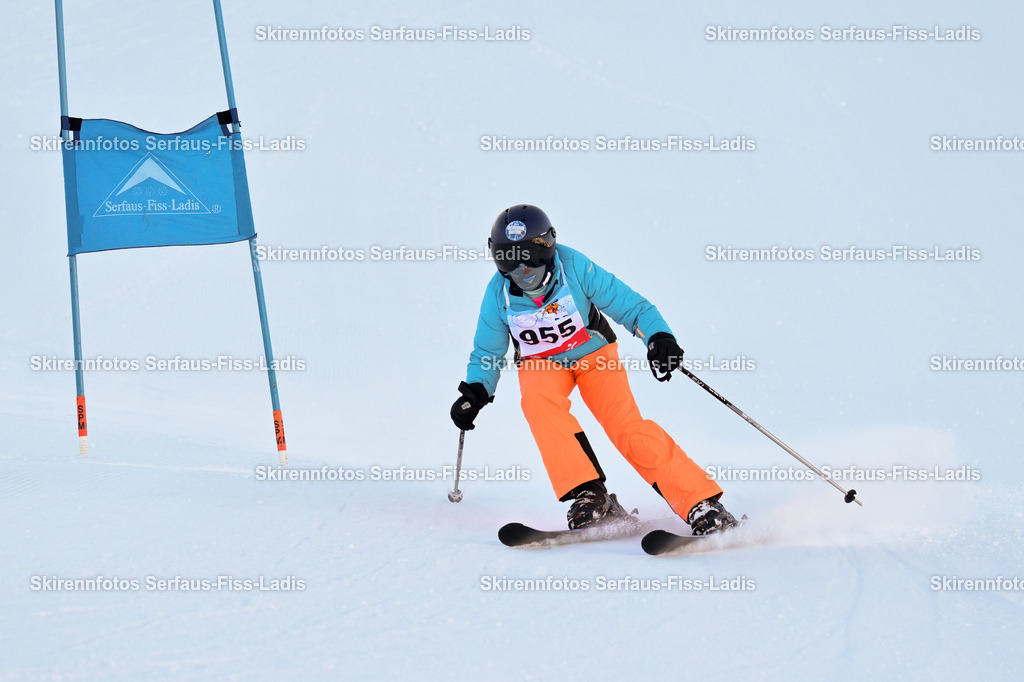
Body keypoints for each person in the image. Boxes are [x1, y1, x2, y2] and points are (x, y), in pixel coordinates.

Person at [450, 204, 738, 535]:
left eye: (530, 257)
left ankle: (700, 502)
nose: (522, 270)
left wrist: (659, 337)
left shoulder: (574, 267)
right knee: (538, 405)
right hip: (541, 362)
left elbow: (632, 307)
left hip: (594, 355)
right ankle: (589, 495)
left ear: (548, 249)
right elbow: (487, 351)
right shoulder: (498, 293)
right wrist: (477, 390)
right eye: (508, 260)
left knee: (625, 426)